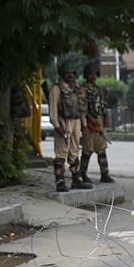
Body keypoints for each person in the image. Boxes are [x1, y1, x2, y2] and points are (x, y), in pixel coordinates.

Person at [49, 61, 93, 192]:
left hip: (76, 123)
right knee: (61, 152)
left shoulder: (77, 89)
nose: (70, 75)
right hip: (63, 122)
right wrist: (56, 125)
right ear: (62, 74)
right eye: (67, 73)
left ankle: (76, 179)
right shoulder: (56, 89)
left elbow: (81, 108)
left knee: (74, 151)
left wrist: (84, 125)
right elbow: (53, 110)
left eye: (72, 73)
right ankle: (60, 181)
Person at [79, 62, 114, 183]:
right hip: (88, 123)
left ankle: (105, 174)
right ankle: (82, 174)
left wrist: (106, 117)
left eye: (94, 74)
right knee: (87, 149)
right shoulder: (83, 89)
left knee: (101, 149)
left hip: (99, 122)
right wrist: (90, 118)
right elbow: (82, 107)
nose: (93, 76)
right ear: (86, 75)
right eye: (90, 74)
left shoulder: (98, 89)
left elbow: (103, 104)